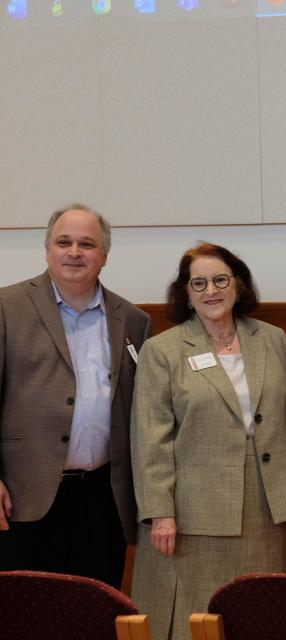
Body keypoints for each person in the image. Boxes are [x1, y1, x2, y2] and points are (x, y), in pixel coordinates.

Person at [130, 243, 286, 640]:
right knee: (195, 622)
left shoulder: (273, 339)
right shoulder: (163, 351)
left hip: (266, 509)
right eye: (199, 283)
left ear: (239, 285)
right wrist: (160, 511)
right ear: (186, 294)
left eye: (219, 280)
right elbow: (150, 439)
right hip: (191, 517)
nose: (210, 290)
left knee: (259, 617)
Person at [0, 204, 151, 589]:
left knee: (96, 612)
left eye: (87, 244)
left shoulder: (132, 320)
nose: (74, 252)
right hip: (23, 497)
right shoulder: (6, 307)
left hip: (103, 499)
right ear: (47, 248)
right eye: (64, 242)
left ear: (104, 255)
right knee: (26, 618)